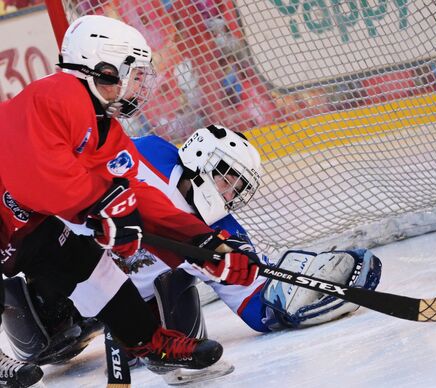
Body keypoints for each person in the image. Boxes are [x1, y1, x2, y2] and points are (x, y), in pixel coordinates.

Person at [3, 125, 383, 385]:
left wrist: (297, 291)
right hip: (68, 286)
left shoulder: (224, 231)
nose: (230, 194)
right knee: (46, 335)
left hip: (129, 311)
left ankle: (153, 343)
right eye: (227, 179)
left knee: (178, 283)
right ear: (202, 156)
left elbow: (258, 303)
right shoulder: (145, 152)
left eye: (238, 189)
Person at [0, 14, 261, 385]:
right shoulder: (55, 96)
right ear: (103, 69)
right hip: (11, 212)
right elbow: (33, 173)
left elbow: (135, 196)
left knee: (92, 270)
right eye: (134, 73)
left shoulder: (107, 131)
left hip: (26, 223)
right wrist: (101, 206)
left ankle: (150, 343)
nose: (140, 85)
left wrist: (201, 245)